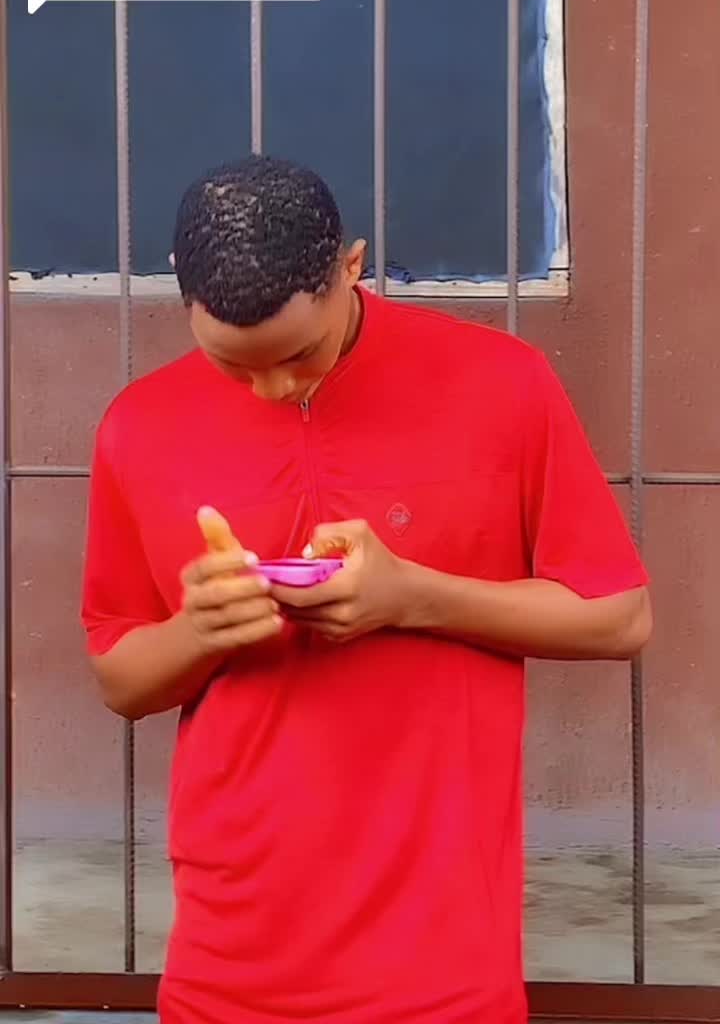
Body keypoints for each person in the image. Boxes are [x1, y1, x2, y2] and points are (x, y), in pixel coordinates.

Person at [81, 155, 652, 1024]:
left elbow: (619, 617)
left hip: (442, 948)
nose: (273, 387)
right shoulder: (139, 425)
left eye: (298, 354)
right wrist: (199, 629)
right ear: (182, 293)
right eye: (233, 365)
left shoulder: (501, 382)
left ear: (352, 266)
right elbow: (121, 680)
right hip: (228, 946)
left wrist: (411, 596)